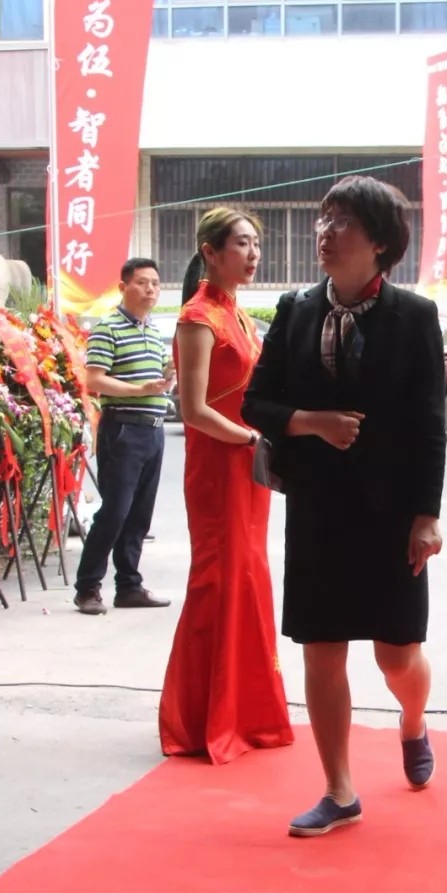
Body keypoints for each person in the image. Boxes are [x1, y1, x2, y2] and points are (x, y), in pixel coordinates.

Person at [243, 176, 446, 837]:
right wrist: (310, 422)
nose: (325, 233)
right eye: (323, 219)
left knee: (397, 656)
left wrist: (427, 514)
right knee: (321, 649)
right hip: (318, 509)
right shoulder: (296, 308)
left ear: (380, 242)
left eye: (342, 223)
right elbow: (256, 402)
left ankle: (413, 720)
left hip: (391, 512)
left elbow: (428, 423)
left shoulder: (414, 316)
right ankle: (339, 789)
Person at [158, 209, 294, 764]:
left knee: (248, 580)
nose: (253, 253)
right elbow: (192, 410)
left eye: (256, 243)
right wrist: (250, 439)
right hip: (219, 466)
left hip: (248, 463)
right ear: (211, 253)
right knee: (219, 582)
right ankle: (199, 719)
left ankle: (246, 711)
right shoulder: (197, 318)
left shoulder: (238, 314)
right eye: (242, 243)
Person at [74, 258, 173, 615]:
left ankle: (129, 586)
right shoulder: (108, 328)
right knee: (115, 511)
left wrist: (167, 378)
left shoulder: (154, 330)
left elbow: (155, 380)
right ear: (123, 287)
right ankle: (87, 588)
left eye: (155, 284)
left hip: (154, 429)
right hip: (123, 428)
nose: (150, 289)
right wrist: (139, 390)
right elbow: (95, 379)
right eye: (142, 282)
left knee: (140, 515)